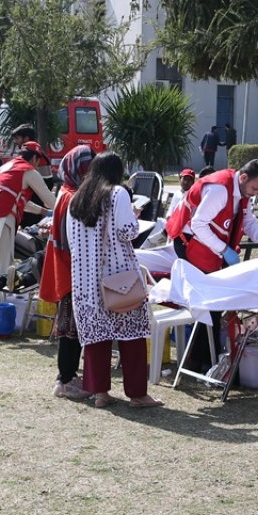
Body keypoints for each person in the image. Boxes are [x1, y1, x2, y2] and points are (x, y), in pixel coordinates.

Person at [67, 151, 163, 408]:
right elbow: (127, 231)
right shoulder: (118, 194)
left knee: (97, 338)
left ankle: (100, 393)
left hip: (85, 280)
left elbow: (71, 240)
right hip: (118, 276)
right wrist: (133, 213)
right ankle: (137, 395)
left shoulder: (75, 199)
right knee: (131, 336)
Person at [165, 159, 258, 371]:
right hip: (191, 243)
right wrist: (223, 250)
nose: (255, 193)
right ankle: (202, 360)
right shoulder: (219, 190)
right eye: (255, 188)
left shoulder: (243, 192)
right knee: (208, 302)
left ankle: (205, 358)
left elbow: (248, 221)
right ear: (243, 178)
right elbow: (199, 224)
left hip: (211, 244)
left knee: (215, 303)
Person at [33, 146, 94, 399]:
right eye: (86, 166)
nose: (90, 171)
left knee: (70, 324)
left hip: (65, 266)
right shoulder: (73, 197)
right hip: (72, 269)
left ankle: (68, 377)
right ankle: (65, 380)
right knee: (70, 327)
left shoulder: (65, 192)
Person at [0, 141, 57, 274]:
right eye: (38, 162)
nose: (37, 166)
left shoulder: (4, 169)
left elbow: (14, 199)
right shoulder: (28, 170)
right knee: (2, 270)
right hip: (0, 219)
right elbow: (51, 202)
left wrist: (43, 212)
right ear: (34, 158)